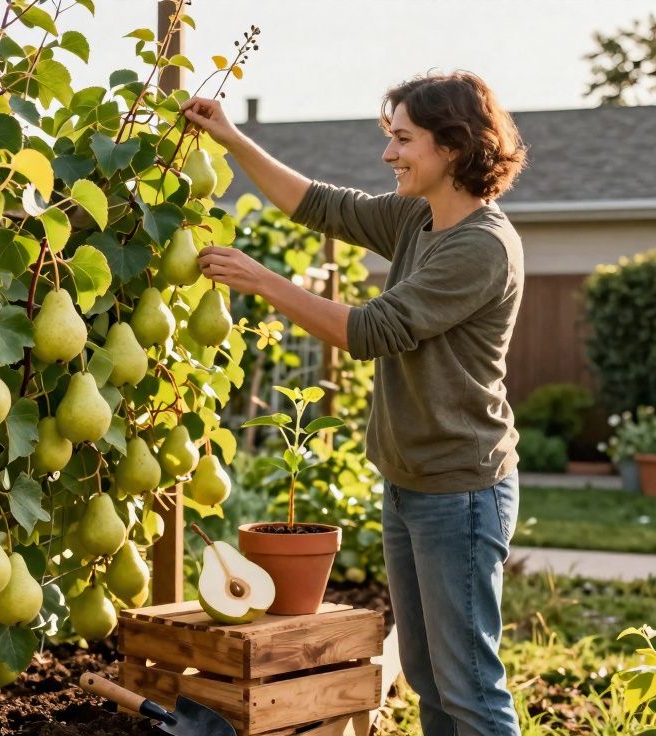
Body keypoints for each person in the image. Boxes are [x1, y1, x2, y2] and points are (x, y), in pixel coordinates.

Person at [183, 71, 527, 736]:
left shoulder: (481, 247)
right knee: (430, 679)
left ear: (452, 147)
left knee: (470, 688)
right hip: (410, 482)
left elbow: (370, 331)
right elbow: (321, 206)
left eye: (402, 139)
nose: (388, 154)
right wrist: (230, 139)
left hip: (459, 491)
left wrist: (261, 280)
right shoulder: (418, 218)